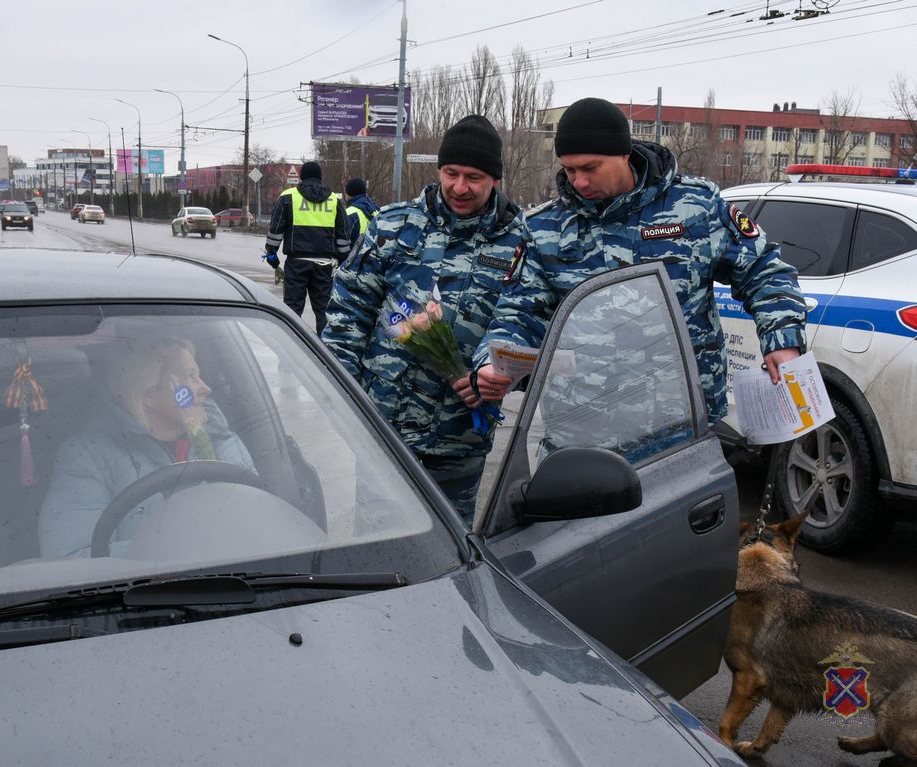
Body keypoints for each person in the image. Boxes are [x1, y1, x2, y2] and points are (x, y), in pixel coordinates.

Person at [475, 97, 808, 427]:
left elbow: (764, 271)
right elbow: (518, 313)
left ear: (624, 153)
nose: (579, 182)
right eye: (569, 169)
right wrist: (491, 364)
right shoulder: (544, 228)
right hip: (582, 426)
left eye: (590, 168)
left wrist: (782, 338)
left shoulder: (695, 207)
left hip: (683, 420)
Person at [321, 115, 536, 525]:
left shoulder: (521, 243)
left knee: (451, 557)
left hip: (458, 440)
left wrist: (501, 377)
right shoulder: (393, 226)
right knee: (378, 546)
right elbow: (348, 317)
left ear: (495, 178)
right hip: (384, 432)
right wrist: (344, 403)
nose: (459, 187)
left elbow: (527, 326)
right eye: (451, 173)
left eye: (473, 176)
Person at [39, 337, 254, 558]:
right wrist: (182, 546)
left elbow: (251, 517)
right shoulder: (88, 456)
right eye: (191, 377)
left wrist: (202, 436)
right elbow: (72, 558)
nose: (206, 388)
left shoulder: (218, 435)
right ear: (150, 393)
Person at [263, 161, 351, 334]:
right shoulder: (335, 200)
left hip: (296, 264)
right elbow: (343, 237)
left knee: (292, 311)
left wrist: (272, 256)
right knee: (323, 311)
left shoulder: (288, 197)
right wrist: (341, 260)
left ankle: (293, 350)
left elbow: (276, 229)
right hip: (324, 266)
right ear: (320, 177)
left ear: (301, 177)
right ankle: (326, 353)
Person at [344, 177, 379, 249]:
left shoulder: (350, 213)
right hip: (374, 257)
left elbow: (343, 241)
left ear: (349, 192)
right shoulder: (376, 210)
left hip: (355, 258)